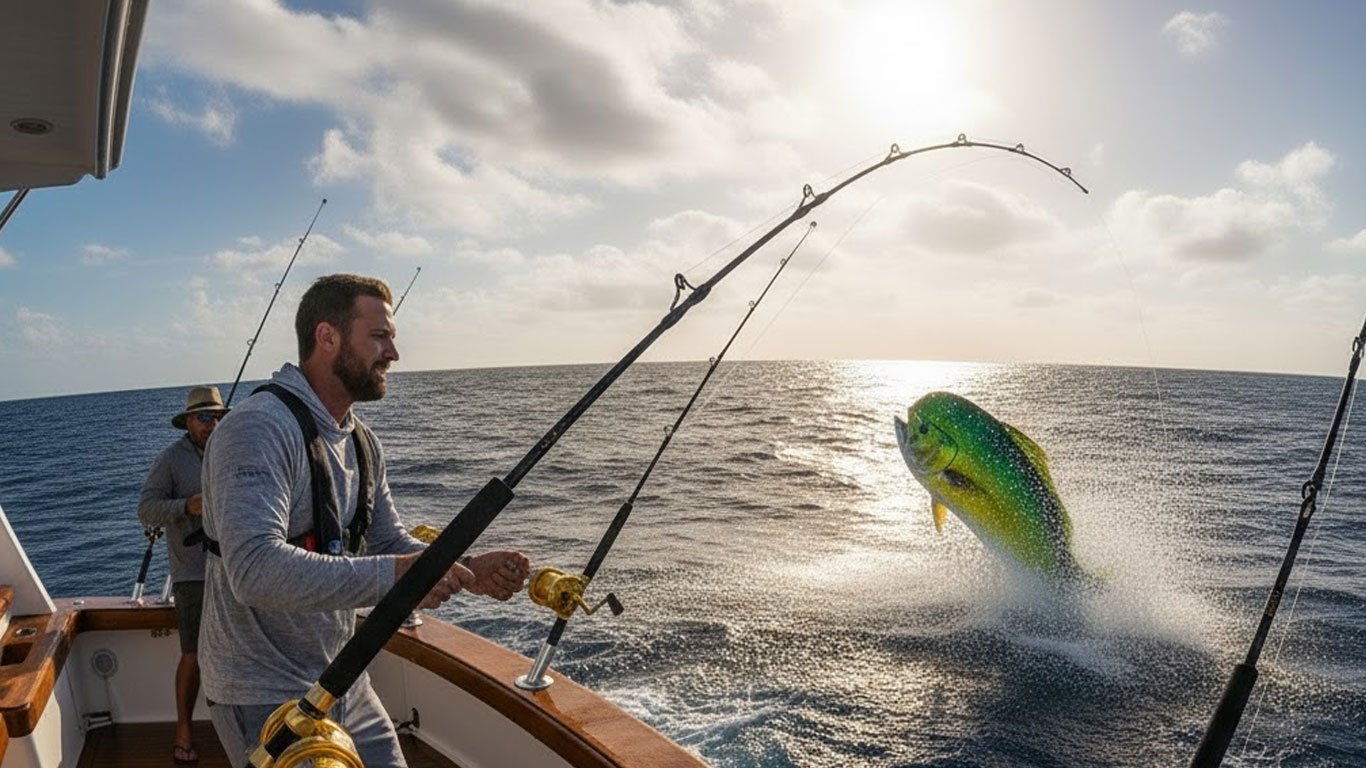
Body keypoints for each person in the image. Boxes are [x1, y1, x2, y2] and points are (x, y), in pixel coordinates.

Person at [199, 273, 530, 768]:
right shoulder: (257, 428)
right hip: (261, 688)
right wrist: (400, 575)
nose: (393, 353)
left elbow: (386, 539)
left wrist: (464, 570)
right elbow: (253, 569)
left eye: (391, 338)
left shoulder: (361, 441)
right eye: (379, 337)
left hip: (343, 675)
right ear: (327, 337)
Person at [138, 385, 230, 765]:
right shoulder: (170, 459)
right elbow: (146, 509)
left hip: (237, 570)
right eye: (203, 417)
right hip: (193, 573)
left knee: (238, 653)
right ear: (188, 422)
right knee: (192, 653)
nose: (211, 424)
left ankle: (239, 729)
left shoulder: (233, 450)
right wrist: (186, 505)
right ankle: (184, 729)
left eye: (217, 417)